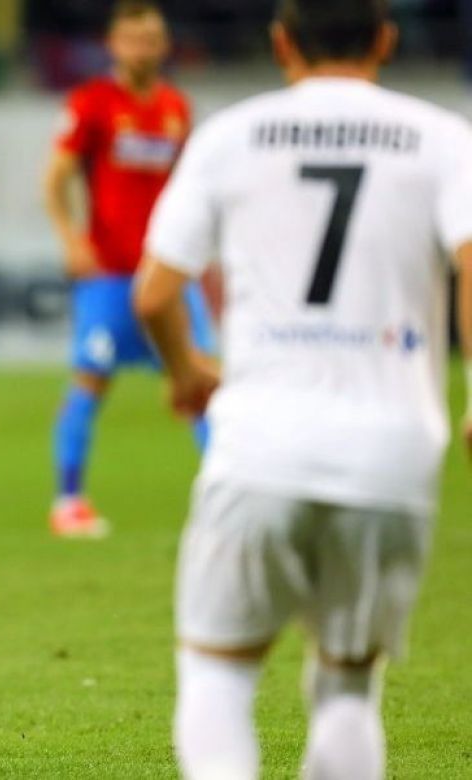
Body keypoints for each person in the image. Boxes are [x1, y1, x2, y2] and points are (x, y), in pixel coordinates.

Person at [135, 0, 472, 777]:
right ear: (385, 40)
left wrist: (187, 373)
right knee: (349, 686)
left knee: (218, 675)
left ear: (282, 42)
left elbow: (154, 295)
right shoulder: (441, 138)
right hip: (392, 452)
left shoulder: (231, 137)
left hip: (261, 443)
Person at [42, 0, 214, 538]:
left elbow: (189, 190)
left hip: (167, 272)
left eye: (151, 40)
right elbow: (56, 178)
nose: (143, 49)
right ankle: (69, 500)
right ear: (113, 45)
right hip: (111, 275)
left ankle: (223, 494)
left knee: (202, 379)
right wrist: (72, 239)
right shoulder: (92, 103)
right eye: (133, 39)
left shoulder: (176, 107)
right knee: (90, 380)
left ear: (164, 46)